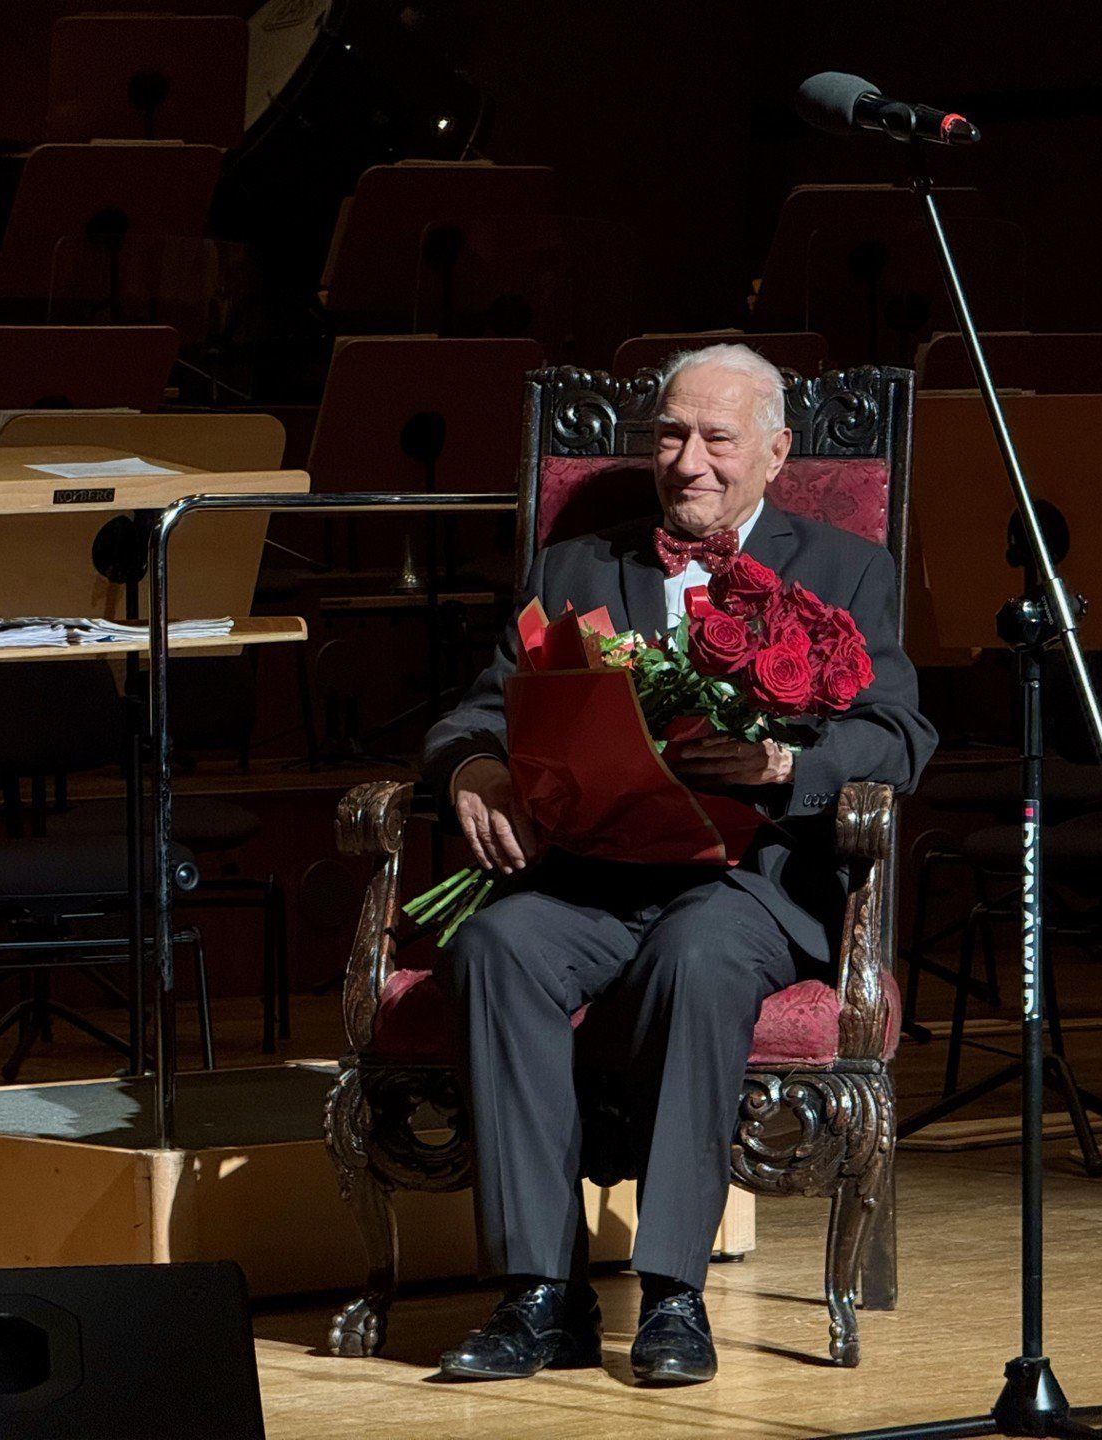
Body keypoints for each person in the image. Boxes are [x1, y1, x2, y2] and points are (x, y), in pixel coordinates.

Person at [422, 343, 936, 1384]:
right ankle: (537, 1295)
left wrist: (785, 758)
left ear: (777, 453)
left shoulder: (844, 570)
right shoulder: (579, 566)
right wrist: (476, 770)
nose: (688, 460)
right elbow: (484, 706)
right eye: (669, 433)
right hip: (592, 878)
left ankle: (672, 1297)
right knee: (493, 944)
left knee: (697, 959)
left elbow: (898, 735)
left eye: (717, 437)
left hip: (745, 886)